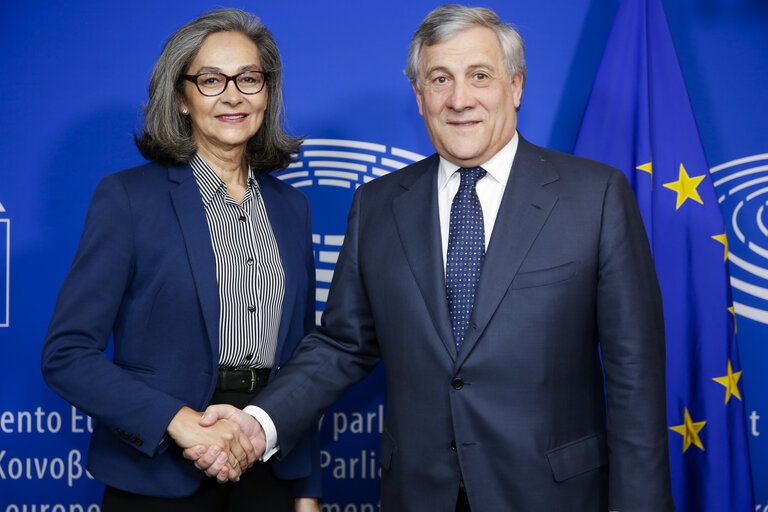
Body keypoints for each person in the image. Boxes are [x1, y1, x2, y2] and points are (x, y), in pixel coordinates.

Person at [190, 5, 674, 511]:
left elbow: (634, 379)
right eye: (439, 79)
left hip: (553, 495)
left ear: (516, 86)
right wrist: (258, 422)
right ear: (419, 98)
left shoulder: (594, 196)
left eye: (479, 76)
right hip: (418, 495)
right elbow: (342, 345)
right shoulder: (378, 205)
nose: (459, 99)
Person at [41, 9, 320, 511]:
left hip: (267, 463)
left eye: (249, 78)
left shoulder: (292, 208)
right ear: (181, 97)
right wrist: (179, 422)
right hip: (159, 468)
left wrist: (306, 488)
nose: (233, 95)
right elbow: (67, 356)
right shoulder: (128, 198)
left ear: (266, 93)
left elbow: (302, 361)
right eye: (211, 80)